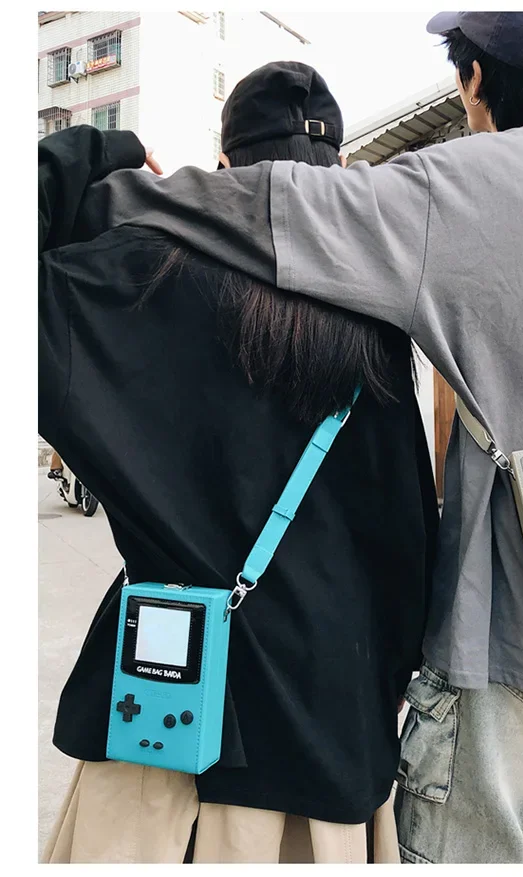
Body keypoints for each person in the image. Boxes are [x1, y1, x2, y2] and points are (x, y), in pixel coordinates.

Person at [48, 11, 523, 864]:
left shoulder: (451, 193)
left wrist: (108, 174)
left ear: (474, 79)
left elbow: (281, 204)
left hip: (506, 661)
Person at [38, 61, 438, 864]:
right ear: (339, 175)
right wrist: (386, 680)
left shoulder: (128, 282)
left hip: (154, 734)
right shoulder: (378, 323)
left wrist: (97, 150)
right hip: (320, 734)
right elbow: (407, 548)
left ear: (223, 169)